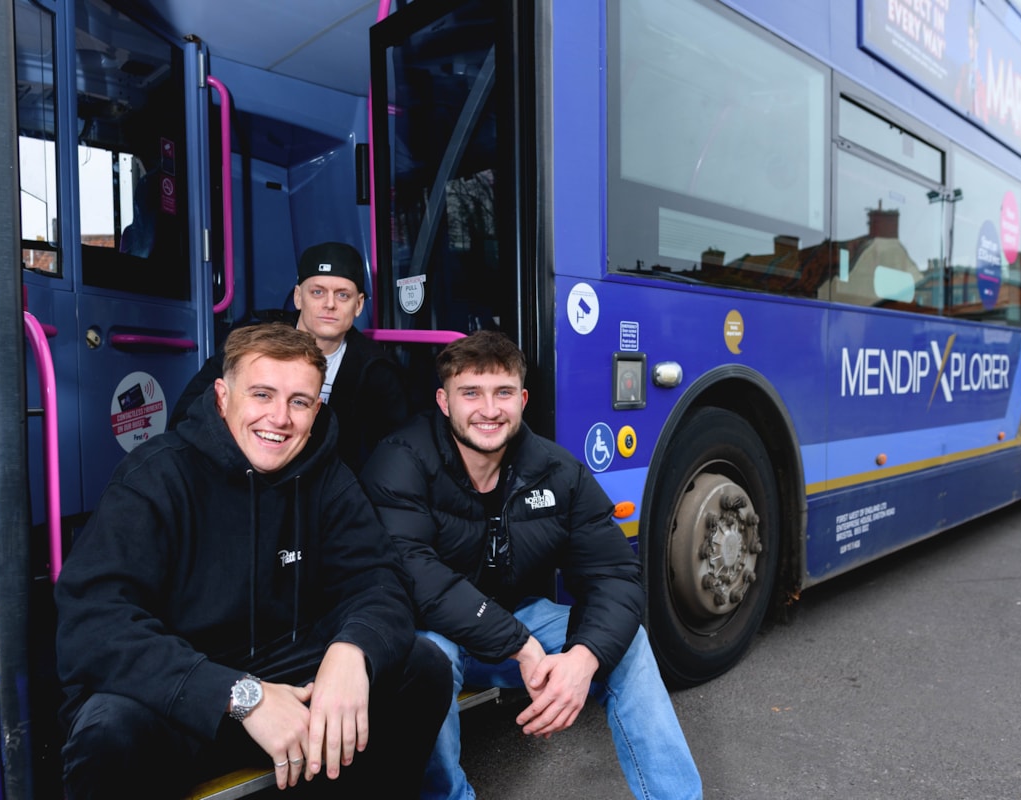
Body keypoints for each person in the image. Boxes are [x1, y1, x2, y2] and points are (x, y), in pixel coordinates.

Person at [55, 323, 452, 800]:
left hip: (292, 681)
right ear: (223, 397)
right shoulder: (155, 476)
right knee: (109, 730)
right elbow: (96, 623)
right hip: (189, 692)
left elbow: (379, 582)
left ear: (316, 408)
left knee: (421, 666)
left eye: (299, 402)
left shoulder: (327, 476)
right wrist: (240, 695)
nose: (279, 418)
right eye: (262, 394)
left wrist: (353, 652)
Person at [359, 331, 703, 800]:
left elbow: (615, 576)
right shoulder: (400, 460)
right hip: (431, 628)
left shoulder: (558, 471)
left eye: (502, 392)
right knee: (428, 662)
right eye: (471, 393)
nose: (489, 409)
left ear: (522, 399)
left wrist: (583, 658)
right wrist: (519, 645)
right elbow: (416, 576)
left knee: (627, 644)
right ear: (444, 401)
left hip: (518, 618)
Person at [169, 241, 410, 474]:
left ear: (358, 306)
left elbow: (392, 455)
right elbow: (187, 417)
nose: (329, 304)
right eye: (317, 292)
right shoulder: (250, 344)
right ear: (298, 297)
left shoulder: (377, 370)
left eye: (342, 295)